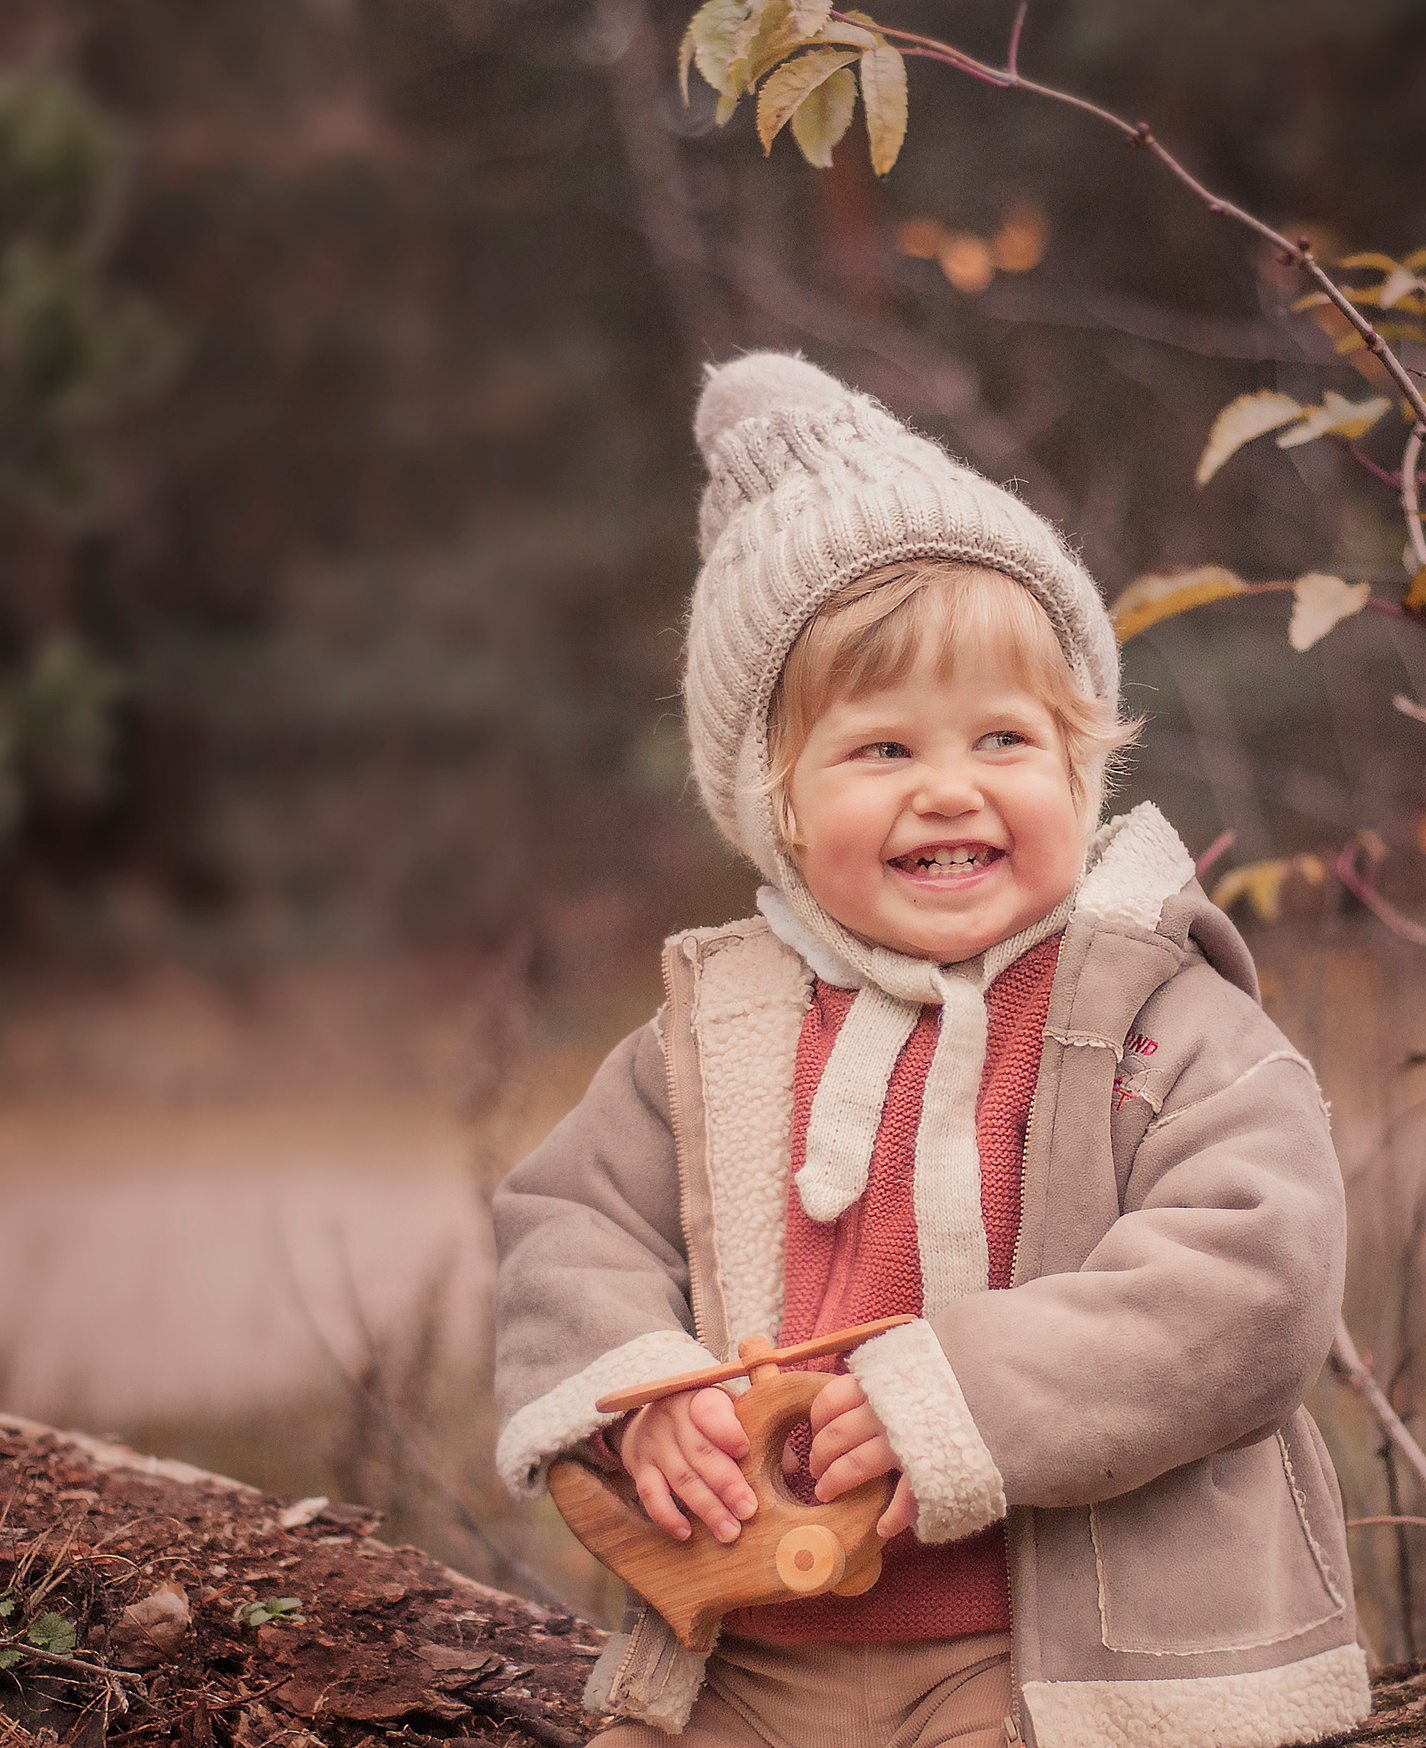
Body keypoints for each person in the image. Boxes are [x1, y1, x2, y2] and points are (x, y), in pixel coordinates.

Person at [492, 353, 1369, 1748]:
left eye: (1006, 737)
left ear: (1084, 763)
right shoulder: (718, 1031)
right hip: (751, 1651)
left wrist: (961, 1394)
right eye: (882, 749)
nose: (950, 786)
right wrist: (637, 1397)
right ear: (774, 804)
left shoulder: (1155, 1012)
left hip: (1051, 1658)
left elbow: (1256, 1274)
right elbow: (569, 1221)